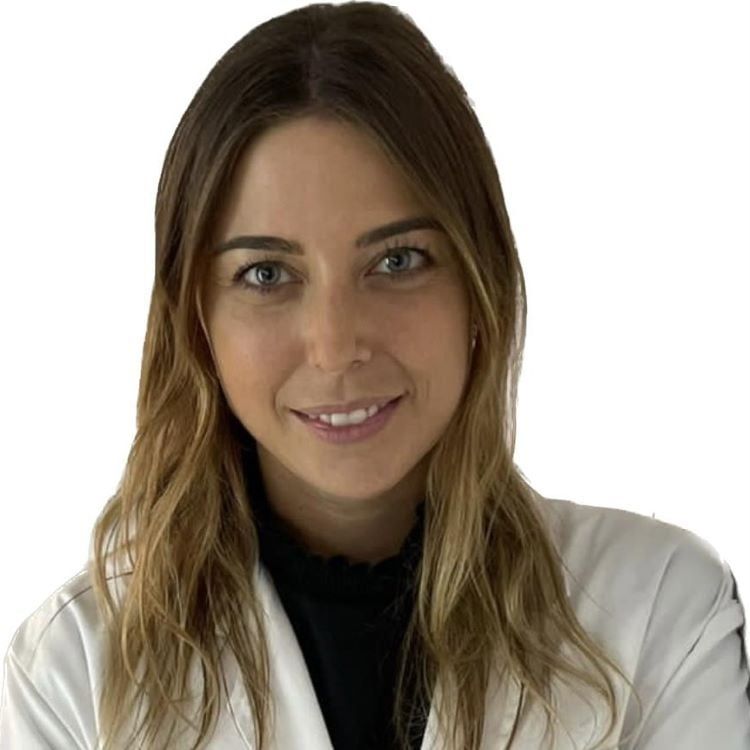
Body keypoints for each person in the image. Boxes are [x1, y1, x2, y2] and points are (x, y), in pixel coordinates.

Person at [1, 2, 748, 748]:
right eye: (266, 274)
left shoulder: (660, 617)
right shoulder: (71, 678)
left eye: (397, 261)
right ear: (195, 319)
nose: (334, 347)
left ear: (481, 284)